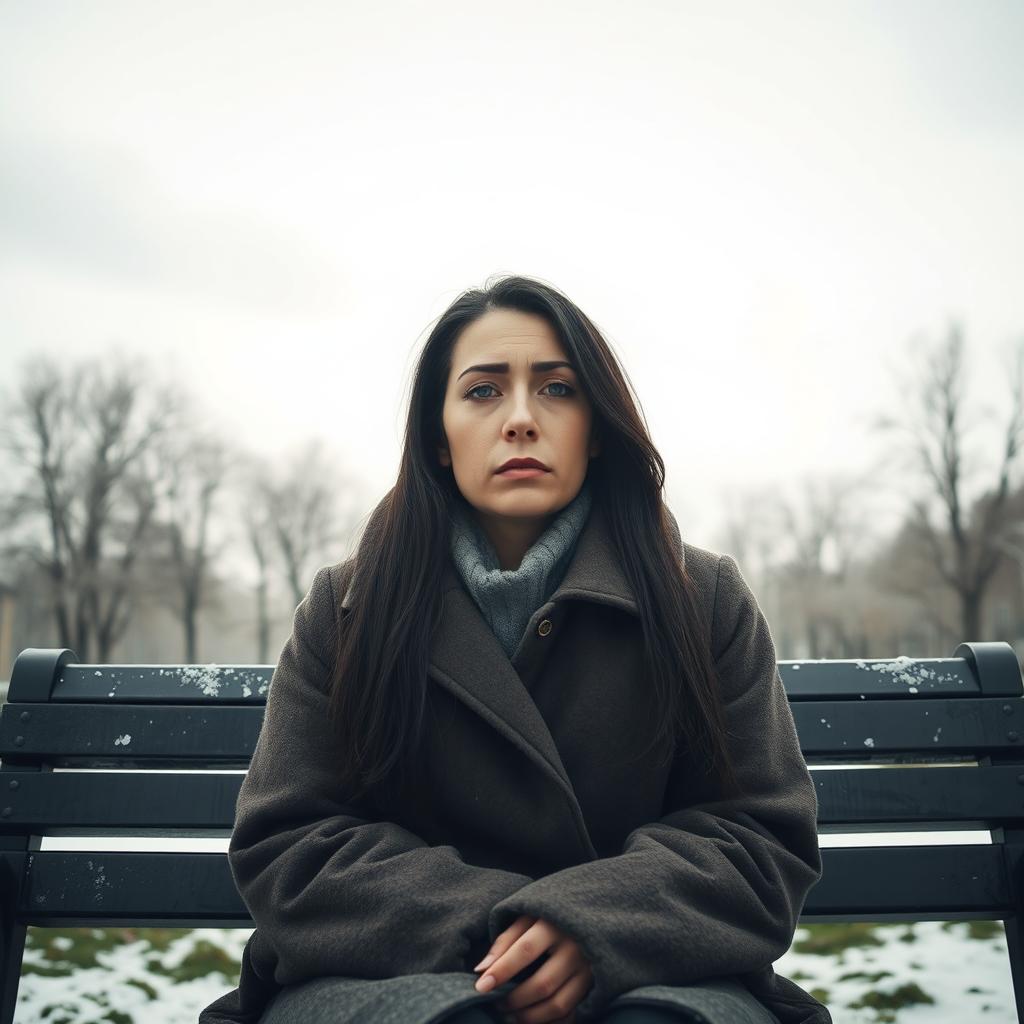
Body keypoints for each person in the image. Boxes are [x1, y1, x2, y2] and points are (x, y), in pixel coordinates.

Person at [199, 275, 830, 1024]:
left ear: (595, 428)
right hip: (387, 971)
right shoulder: (348, 609)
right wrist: (518, 925)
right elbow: (290, 843)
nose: (522, 419)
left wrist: (597, 923)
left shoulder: (703, 599)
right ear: (437, 435)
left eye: (558, 390)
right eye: (483, 392)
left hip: (659, 969)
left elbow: (758, 838)